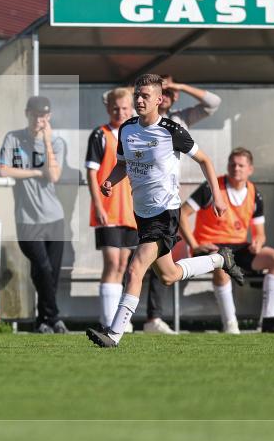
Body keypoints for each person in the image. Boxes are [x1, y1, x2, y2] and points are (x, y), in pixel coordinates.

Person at [86, 74, 244, 348]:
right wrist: (110, 180)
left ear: (159, 100)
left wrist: (217, 197)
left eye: (145, 96)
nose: (139, 100)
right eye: (137, 95)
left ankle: (114, 334)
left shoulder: (172, 130)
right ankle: (220, 260)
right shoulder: (127, 130)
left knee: (135, 269)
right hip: (142, 215)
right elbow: (123, 164)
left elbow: (205, 160)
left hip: (165, 213)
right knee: (168, 275)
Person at [142, 75, 224, 334]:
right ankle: (219, 260)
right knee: (164, 270)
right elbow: (110, 98)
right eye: (159, 91)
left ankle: (133, 324)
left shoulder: (178, 122)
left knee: (141, 262)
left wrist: (180, 87)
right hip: (141, 199)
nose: (164, 95)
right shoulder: (136, 121)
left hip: (166, 201)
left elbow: (213, 103)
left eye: (168, 92)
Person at [179, 147, 274, 333]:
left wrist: (258, 242)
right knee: (221, 262)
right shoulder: (211, 188)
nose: (236, 168)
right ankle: (231, 325)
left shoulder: (255, 193)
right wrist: (195, 245)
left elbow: (260, 233)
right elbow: (181, 214)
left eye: (241, 165)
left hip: (239, 247)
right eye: (232, 164)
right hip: (210, 246)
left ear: (250, 169)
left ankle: (268, 324)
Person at [0, 96, 68, 334]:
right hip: (27, 220)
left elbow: (55, 176)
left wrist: (46, 143)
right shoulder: (13, 138)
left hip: (54, 218)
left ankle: (44, 321)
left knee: (49, 274)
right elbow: (2, 169)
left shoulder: (56, 142)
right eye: (36, 115)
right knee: (43, 268)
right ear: (27, 113)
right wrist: (36, 173)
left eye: (45, 116)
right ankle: (55, 318)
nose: (40, 120)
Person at [85, 87, 137, 329]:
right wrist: (98, 205)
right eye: (116, 108)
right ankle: (108, 321)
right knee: (112, 262)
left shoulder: (137, 133)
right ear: (108, 109)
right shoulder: (100, 134)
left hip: (131, 212)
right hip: (108, 209)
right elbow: (92, 172)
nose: (121, 112)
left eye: (125, 108)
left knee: (124, 265)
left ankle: (118, 321)